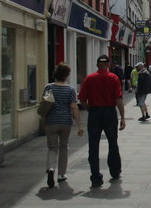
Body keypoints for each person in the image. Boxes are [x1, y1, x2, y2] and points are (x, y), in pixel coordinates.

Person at [78, 54, 126, 187]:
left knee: (93, 145)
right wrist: (122, 117)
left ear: (97, 65)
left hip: (94, 112)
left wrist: (90, 110)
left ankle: (95, 176)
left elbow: (82, 100)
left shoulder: (90, 78)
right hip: (109, 112)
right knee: (112, 142)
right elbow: (118, 99)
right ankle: (115, 171)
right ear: (108, 65)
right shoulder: (113, 78)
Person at [44, 63, 84, 187]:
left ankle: (51, 168)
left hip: (51, 121)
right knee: (63, 147)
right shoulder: (70, 89)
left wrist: (43, 121)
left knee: (52, 148)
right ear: (66, 75)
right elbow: (74, 107)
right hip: (65, 122)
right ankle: (61, 174)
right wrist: (80, 125)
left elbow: (44, 104)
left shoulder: (48, 87)